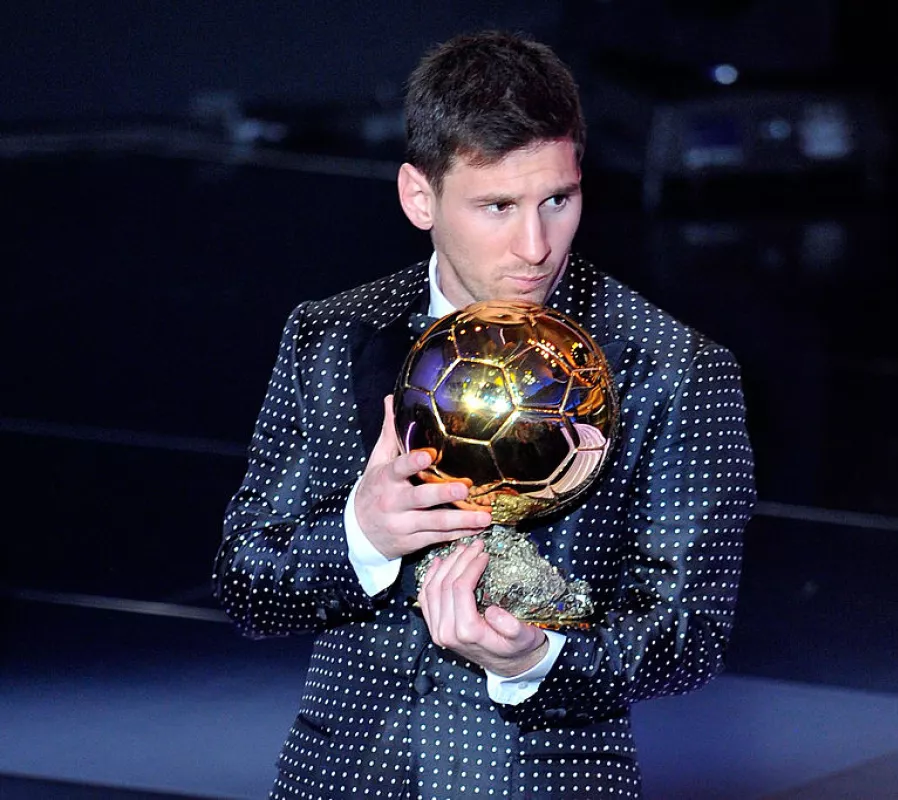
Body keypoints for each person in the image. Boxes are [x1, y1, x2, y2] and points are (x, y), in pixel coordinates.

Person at [214, 30, 756, 799]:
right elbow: (246, 584)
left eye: (557, 200)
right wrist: (361, 535)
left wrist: (536, 659)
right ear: (419, 197)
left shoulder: (670, 369)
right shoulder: (332, 337)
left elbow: (686, 637)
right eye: (497, 206)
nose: (535, 246)